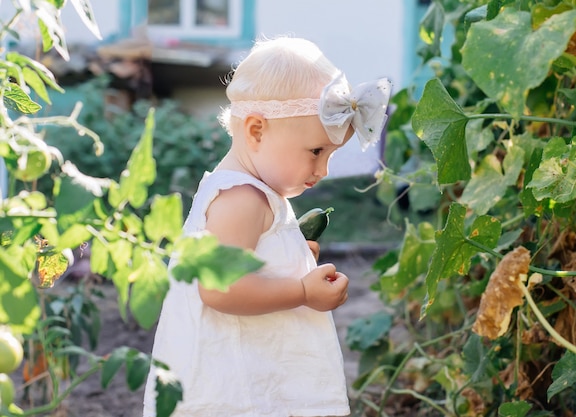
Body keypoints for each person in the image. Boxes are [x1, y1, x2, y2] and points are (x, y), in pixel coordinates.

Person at [142, 36, 391, 417]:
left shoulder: (251, 192)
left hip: (248, 374)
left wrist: (288, 258)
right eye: (316, 151)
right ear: (257, 131)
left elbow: (248, 263)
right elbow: (221, 289)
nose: (322, 170)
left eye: (329, 155)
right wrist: (301, 291)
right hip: (234, 390)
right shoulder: (242, 199)